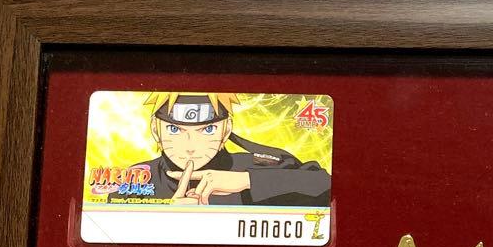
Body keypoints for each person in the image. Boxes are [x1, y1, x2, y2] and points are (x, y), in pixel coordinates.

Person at [108, 92, 330, 207]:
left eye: (207, 129)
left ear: (226, 130)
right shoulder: (137, 180)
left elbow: (325, 185)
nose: (191, 146)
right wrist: (165, 218)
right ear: (156, 130)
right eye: (174, 129)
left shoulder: (251, 165)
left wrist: (249, 181)